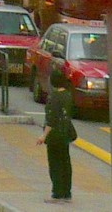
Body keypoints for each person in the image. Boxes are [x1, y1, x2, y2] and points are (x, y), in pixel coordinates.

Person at [36, 69, 75, 203]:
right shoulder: (68, 95)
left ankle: (57, 192)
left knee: (55, 164)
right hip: (65, 134)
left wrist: (43, 136)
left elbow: (51, 120)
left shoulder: (53, 97)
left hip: (54, 136)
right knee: (65, 162)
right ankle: (66, 191)